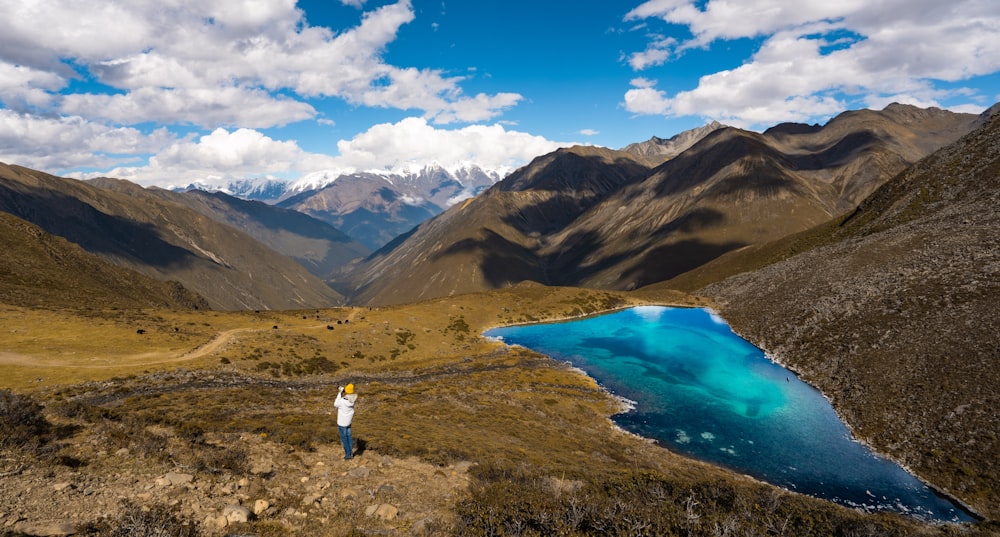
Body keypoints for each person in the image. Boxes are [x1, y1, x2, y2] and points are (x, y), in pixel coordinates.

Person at [334, 383, 358, 460]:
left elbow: (335, 404)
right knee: (349, 437)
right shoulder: (353, 399)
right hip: (349, 422)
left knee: (344, 439)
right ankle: (350, 453)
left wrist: (340, 392)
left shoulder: (342, 401)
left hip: (342, 423)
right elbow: (348, 396)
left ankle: (348, 455)